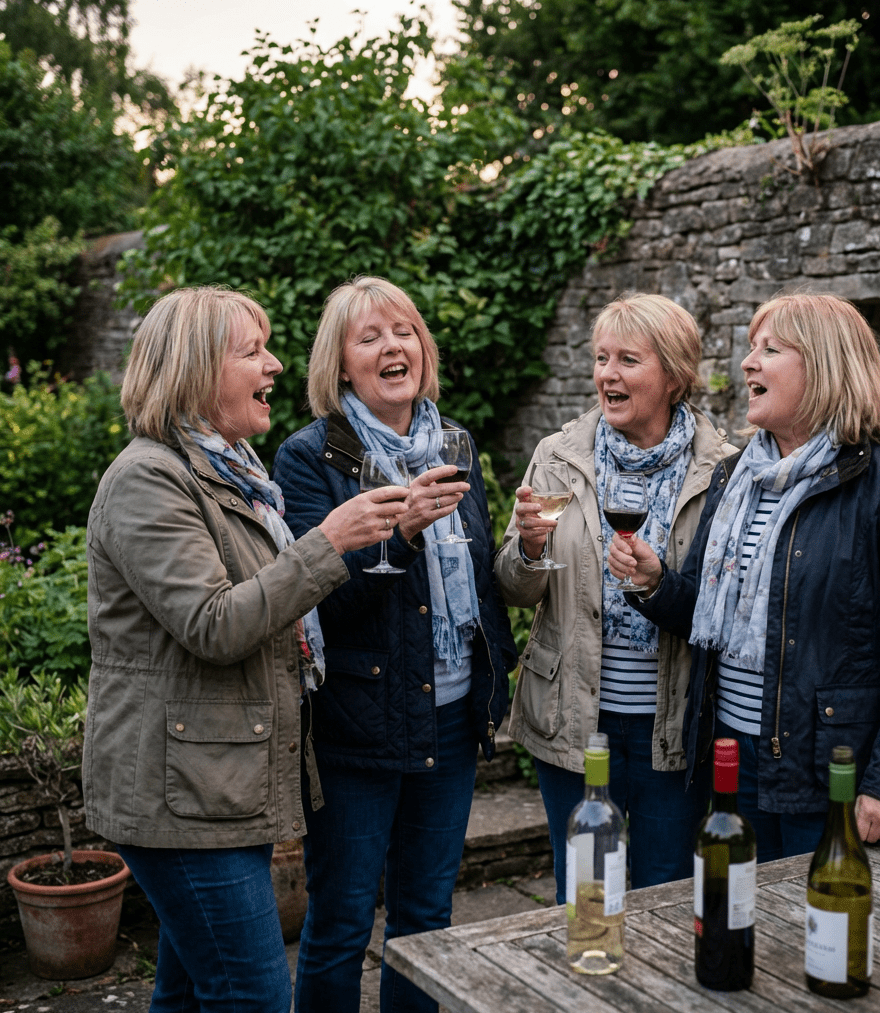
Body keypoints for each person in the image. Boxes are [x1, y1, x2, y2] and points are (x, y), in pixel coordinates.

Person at [83, 287, 409, 1013]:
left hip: (215, 782)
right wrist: (332, 542)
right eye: (253, 351)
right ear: (197, 371)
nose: (276, 363)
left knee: (190, 993)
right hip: (184, 797)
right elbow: (214, 624)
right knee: (253, 995)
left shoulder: (230, 468)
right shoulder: (149, 479)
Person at [611, 292, 880, 860]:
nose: (748, 363)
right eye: (751, 349)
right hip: (727, 758)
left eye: (770, 350)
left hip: (827, 775)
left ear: (823, 366)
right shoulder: (734, 477)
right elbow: (703, 613)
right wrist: (653, 583)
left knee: (822, 934)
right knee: (737, 925)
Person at [272, 276, 518, 1013]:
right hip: (357, 725)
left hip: (448, 716)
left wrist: (523, 552)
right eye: (369, 337)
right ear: (340, 364)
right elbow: (320, 604)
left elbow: (476, 585)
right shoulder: (310, 457)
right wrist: (403, 535)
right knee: (343, 921)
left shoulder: (455, 443)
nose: (392, 347)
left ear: (423, 348)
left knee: (427, 921)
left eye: (403, 331)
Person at [494, 292, 736, 903]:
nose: (608, 374)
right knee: (586, 896)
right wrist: (526, 549)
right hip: (575, 719)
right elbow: (514, 588)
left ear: (675, 375)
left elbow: (728, 602)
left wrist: (659, 584)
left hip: (672, 730)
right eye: (602, 358)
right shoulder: (558, 456)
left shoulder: (725, 470)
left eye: (629, 359)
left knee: (667, 897)